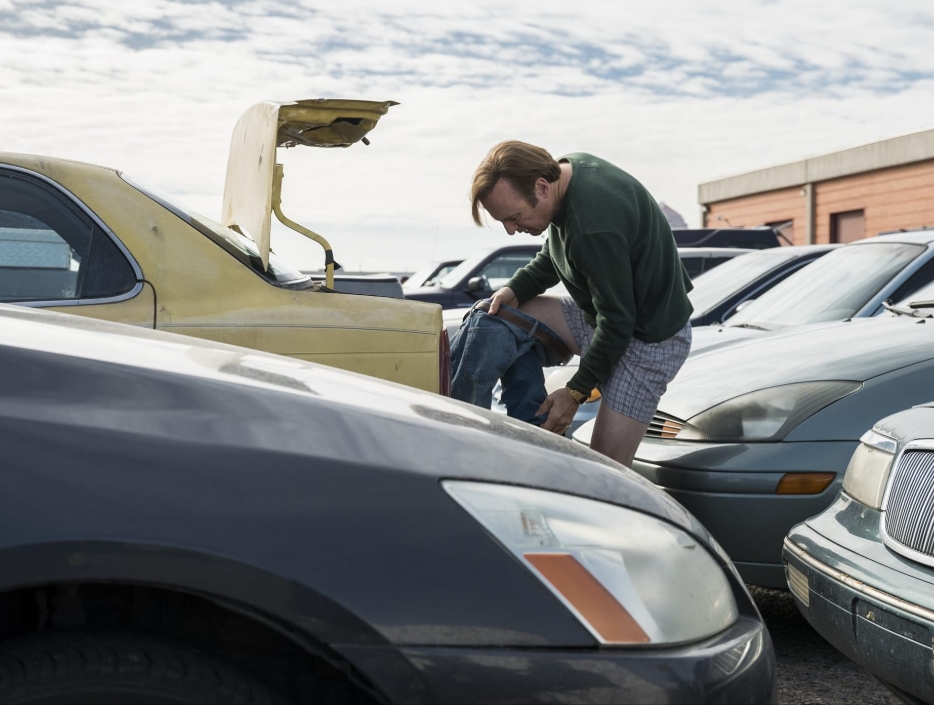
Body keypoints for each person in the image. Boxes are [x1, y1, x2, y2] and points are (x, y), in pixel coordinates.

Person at [469, 141, 693, 467]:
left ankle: (557, 459)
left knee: (604, 471)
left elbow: (618, 321)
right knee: (502, 314)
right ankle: (522, 426)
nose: (511, 230)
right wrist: (515, 288)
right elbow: (554, 253)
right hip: (605, 319)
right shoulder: (567, 172)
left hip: (648, 340)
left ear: (541, 187)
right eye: (503, 221)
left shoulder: (591, 226)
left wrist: (575, 391)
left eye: (514, 217)